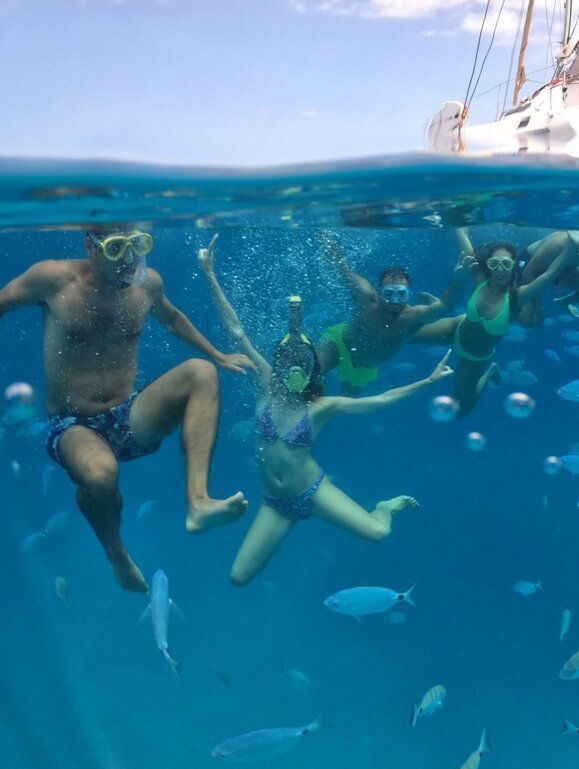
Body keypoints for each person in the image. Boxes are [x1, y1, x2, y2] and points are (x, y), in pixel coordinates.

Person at [0, 228, 253, 594]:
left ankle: (198, 502)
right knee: (101, 475)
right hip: (71, 425)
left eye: (137, 245)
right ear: (90, 246)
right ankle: (116, 553)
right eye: (115, 249)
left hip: (127, 414)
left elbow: (173, 317)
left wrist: (218, 354)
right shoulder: (53, 278)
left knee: (202, 373)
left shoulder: (147, 284)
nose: (129, 260)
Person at [197, 236, 451, 585]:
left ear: (312, 367)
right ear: (280, 364)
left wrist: (427, 381)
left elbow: (379, 400)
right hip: (275, 502)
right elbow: (237, 333)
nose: (296, 369)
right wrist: (210, 274)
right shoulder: (265, 384)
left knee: (379, 532)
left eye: (304, 363)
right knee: (238, 578)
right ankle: (284, 533)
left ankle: (385, 507)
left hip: (313, 492)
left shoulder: (322, 406)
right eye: (290, 362)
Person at [412, 239, 572, 417]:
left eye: (506, 264)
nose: (500, 269)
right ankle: (437, 306)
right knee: (407, 334)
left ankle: (490, 371)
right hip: (456, 328)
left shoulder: (517, 297)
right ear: (488, 265)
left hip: (474, 357)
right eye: (494, 263)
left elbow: (548, 276)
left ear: (513, 266)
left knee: (461, 409)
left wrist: (570, 249)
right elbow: (467, 249)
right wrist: (459, 229)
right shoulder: (480, 280)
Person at [315, 232, 467, 392]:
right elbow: (342, 267)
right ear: (379, 293)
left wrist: (459, 280)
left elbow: (445, 306)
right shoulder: (366, 298)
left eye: (401, 295)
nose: (395, 301)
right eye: (389, 294)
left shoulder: (412, 317)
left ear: (409, 295)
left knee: (345, 402)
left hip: (364, 368)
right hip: (338, 343)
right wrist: (326, 240)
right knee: (314, 373)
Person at [517, 229, 579, 320]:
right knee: (529, 319)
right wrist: (537, 307)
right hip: (527, 264)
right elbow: (527, 272)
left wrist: (566, 276)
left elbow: (573, 261)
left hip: (561, 266)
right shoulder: (559, 243)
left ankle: (563, 302)